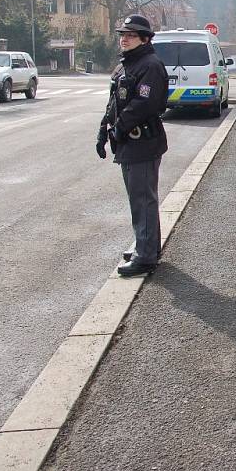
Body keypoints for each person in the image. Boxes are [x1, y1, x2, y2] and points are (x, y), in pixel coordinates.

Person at [95, 14, 169, 277]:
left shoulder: (149, 65)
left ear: (145, 39)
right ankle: (146, 245)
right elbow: (115, 101)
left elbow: (144, 104)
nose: (124, 39)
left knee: (142, 199)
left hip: (143, 141)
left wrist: (119, 127)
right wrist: (104, 130)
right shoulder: (126, 65)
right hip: (129, 142)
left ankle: (146, 256)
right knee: (138, 197)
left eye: (131, 35)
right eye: (122, 35)